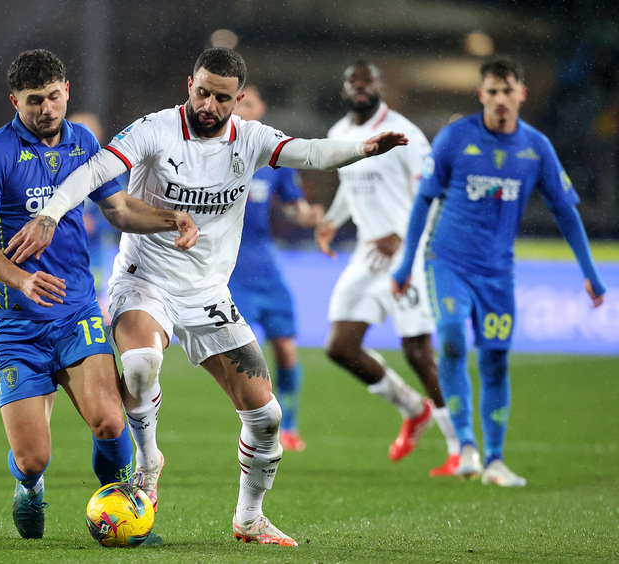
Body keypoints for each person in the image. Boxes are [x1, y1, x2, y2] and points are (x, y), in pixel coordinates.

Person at [5, 47, 407, 546]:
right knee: (140, 364)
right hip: (143, 279)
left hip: (208, 293)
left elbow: (310, 151)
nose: (209, 105)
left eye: (222, 97)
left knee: (266, 416)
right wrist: (50, 214)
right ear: (188, 85)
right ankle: (148, 460)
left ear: (238, 99)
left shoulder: (253, 140)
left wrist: (363, 149)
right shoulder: (155, 128)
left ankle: (249, 517)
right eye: (202, 92)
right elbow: (93, 170)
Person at [0, 48, 198, 540]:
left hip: (75, 312)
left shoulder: (83, 141)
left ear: (66, 91)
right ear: (14, 102)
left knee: (111, 422)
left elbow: (118, 209)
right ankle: (29, 487)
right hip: (16, 322)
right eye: (33, 101)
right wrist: (21, 279)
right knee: (32, 457)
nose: (46, 109)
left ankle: (129, 510)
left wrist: (169, 217)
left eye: (52, 97)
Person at [392, 57, 606, 487]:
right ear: (481, 96)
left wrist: (590, 271)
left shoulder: (536, 148)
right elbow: (423, 203)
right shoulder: (455, 138)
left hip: (498, 273)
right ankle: (465, 445)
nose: (500, 100)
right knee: (451, 337)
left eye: (508, 91)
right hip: (448, 262)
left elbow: (565, 211)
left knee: (494, 361)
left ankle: (494, 460)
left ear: (521, 94)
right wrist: (405, 264)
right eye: (492, 92)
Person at [315, 60, 460, 476]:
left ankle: (459, 447)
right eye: (354, 81)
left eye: (369, 81)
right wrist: (331, 220)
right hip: (367, 252)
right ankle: (414, 409)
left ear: (381, 86)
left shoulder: (406, 135)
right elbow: (349, 183)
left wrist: (402, 235)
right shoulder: (339, 135)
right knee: (340, 347)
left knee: (418, 352)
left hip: (407, 253)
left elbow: (433, 192)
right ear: (345, 88)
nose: (361, 88)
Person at [228, 84, 325, 453]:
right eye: (235, 104)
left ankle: (292, 427)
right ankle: (257, 425)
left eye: (247, 103)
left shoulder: (274, 157)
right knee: (247, 356)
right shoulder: (217, 155)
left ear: (261, 108)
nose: (240, 110)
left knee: (286, 349)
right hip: (232, 269)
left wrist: (306, 215)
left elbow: (292, 206)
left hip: (265, 267)